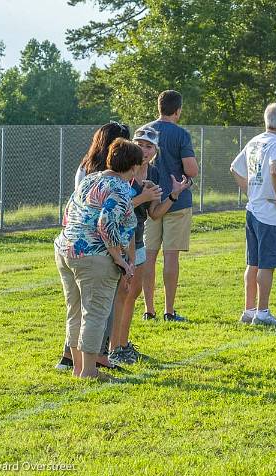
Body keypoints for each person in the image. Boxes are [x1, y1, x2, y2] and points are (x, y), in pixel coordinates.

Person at [54, 138, 141, 380]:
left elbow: (69, 211)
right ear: (133, 167)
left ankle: (78, 367)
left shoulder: (90, 178)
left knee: (75, 311)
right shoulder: (122, 189)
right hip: (94, 256)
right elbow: (106, 224)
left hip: (66, 248)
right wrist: (120, 260)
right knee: (95, 313)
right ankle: (89, 371)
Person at [108, 127, 191, 365]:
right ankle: (113, 347)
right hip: (120, 241)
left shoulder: (153, 173)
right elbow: (115, 208)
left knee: (132, 294)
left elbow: (154, 214)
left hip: (138, 239)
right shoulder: (125, 171)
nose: (144, 150)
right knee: (120, 295)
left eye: (148, 146)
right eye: (140, 144)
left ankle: (123, 345)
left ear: (155, 151)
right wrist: (141, 198)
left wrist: (173, 196)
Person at [229, 103, 276, 328]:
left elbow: (234, 168)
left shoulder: (255, 141)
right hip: (271, 213)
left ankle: (249, 310)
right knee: (266, 264)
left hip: (254, 209)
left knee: (253, 263)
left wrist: (251, 191)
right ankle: (263, 312)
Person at [142, 90, 199, 322]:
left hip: (149, 200)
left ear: (159, 107)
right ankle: (169, 310)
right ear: (178, 110)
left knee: (148, 256)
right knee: (171, 257)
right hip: (176, 201)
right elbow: (191, 170)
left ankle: (148, 309)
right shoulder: (181, 134)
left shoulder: (145, 131)